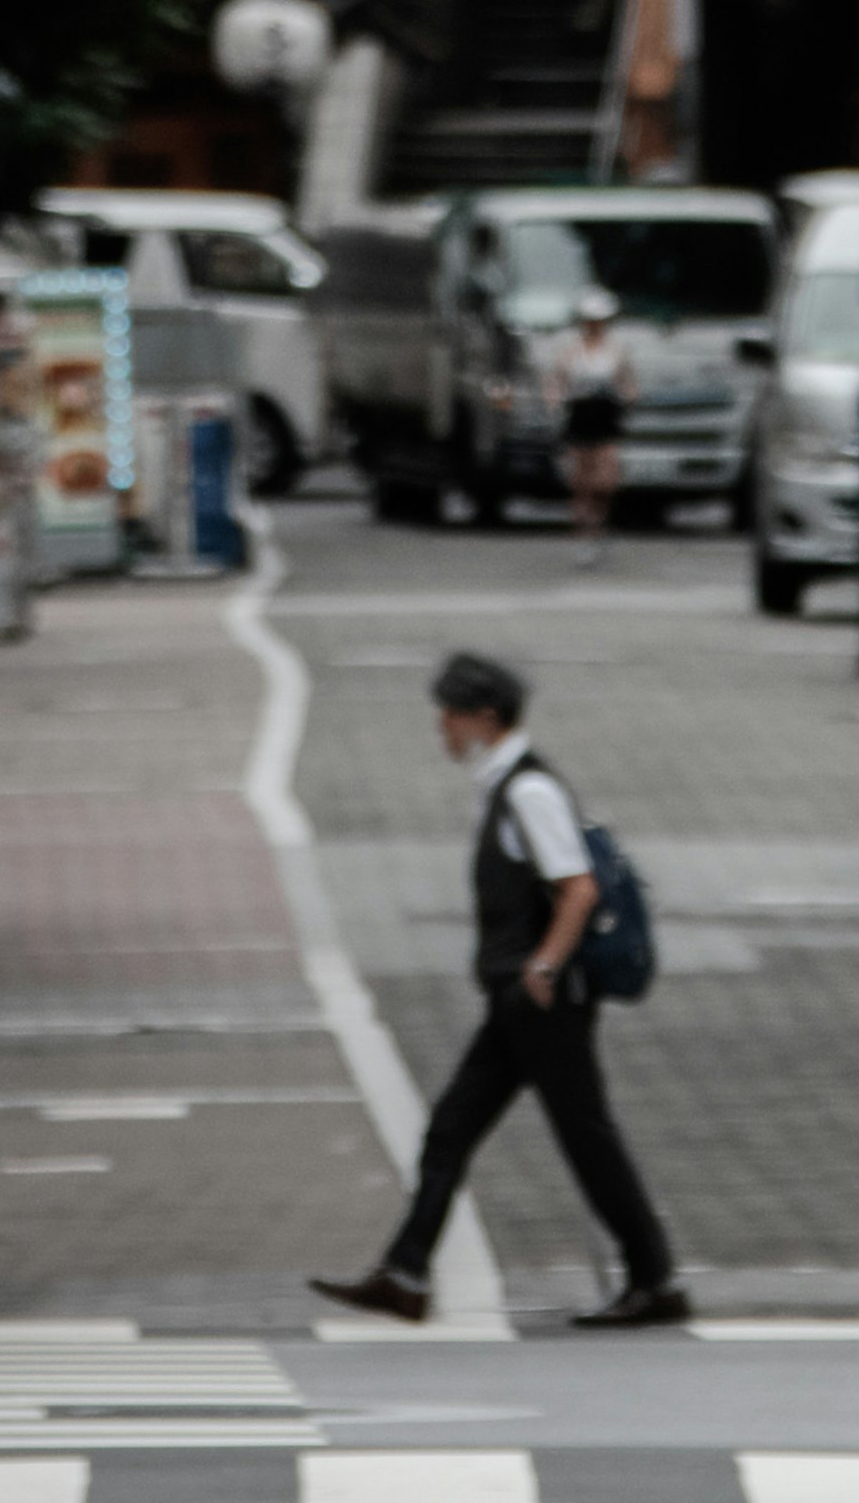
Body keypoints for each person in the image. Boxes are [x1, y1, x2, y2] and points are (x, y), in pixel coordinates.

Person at [311, 649, 687, 1329]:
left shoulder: (529, 790)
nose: (441, 729)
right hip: (521, 1000)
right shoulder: (506, 783)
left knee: (585, 1136)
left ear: (484, 718)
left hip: (544, 999)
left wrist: (542, 967)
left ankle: (655, 1278)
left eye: (449, 715)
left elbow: (579, 887)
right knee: (454, 1127)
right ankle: (405, 1272)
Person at [555, 296, 631, 564]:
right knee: (581, 483)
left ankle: (600, 524)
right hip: (580, 419)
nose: (594, 325)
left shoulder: (616, 351)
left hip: (606, 419)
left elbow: (629, 384)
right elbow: (557, 382)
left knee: (605, 481)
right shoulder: (571, 351)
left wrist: (627, 397)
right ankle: (585, 535)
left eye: (599, 321)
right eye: (590, 321)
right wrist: (556, 399)